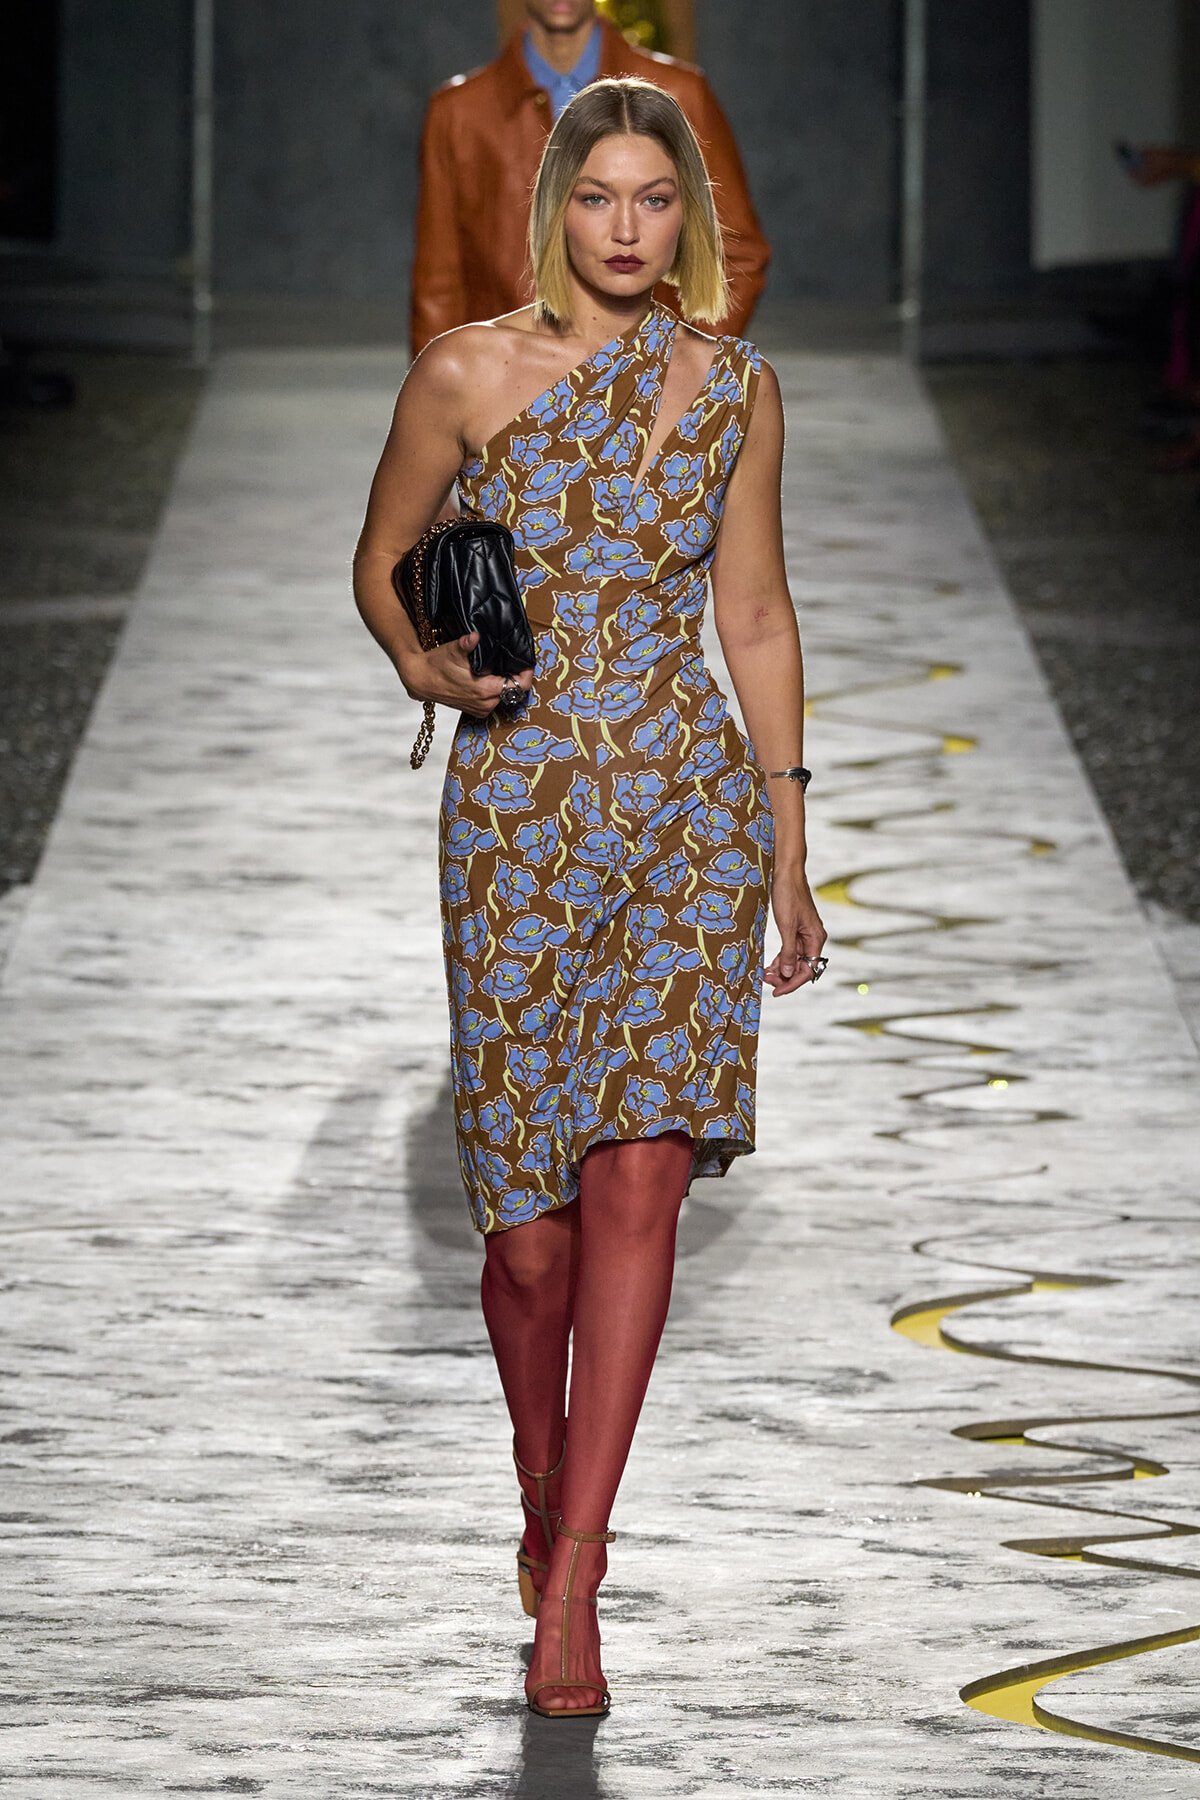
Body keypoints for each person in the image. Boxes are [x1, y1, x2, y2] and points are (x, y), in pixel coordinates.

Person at [355, 76, 824, 1717]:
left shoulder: (739, 390)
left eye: (656, 199)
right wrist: (425, 667)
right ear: (556, 208)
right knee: (532, 1240)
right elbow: (382, 560)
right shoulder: (464, 373)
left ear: (688, 219)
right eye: (600, 197)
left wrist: (788, 843)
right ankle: (538, 1484)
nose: (627, 228)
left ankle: (576, 1571)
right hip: (519, 815)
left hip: (687, 809)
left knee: (640, 1184)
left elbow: (753, 615)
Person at [410, 0, 769, 354]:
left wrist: (679, 367)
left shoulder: (680, 94)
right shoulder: (459, 112)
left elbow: (737, 253)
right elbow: (439, 284)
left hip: (648, 376)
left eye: (653, 200)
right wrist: (449, 383)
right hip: (501, 376)